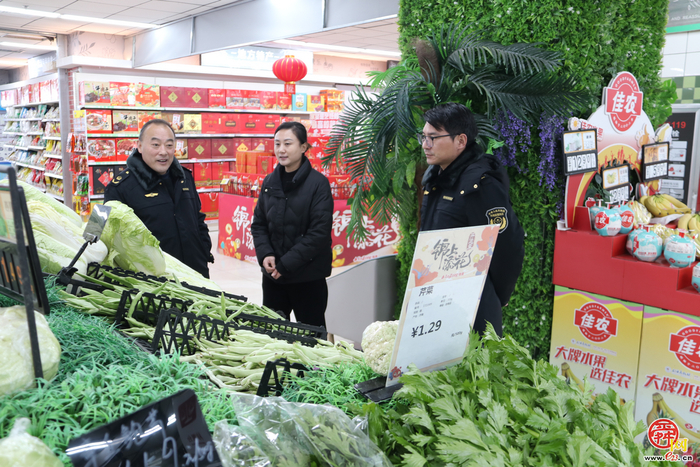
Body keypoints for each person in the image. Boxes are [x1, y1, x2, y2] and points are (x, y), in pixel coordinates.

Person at [419, 102, 525, 337]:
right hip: (436, 298)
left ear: (460, 141)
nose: (425, 145)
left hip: (472, 304)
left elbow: (508, 243)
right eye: (423, 137)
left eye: (433, 138)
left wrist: (498, 296)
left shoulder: (480, 183)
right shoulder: (435, 177)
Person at [104, 119, 213, 278]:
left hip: (196, 272)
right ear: (139, 146)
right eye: (155, 145)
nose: (163, 151)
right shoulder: (117, 188)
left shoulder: (185, 178)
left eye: (169, 145)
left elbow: (198, 219)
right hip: (154, 283)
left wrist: (204, 250)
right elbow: (95, 232)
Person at [251, 121, 333, 328]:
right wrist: (266, 254)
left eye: (288, 144)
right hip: (273, 279)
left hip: (307, 278)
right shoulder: (270, 182)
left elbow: (319, 233)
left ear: (304, 147)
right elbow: (259, 223)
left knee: (312, 337)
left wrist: (285, 265)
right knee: (273, 334)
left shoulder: (318, 184)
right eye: (277, 144)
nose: (281, 150)